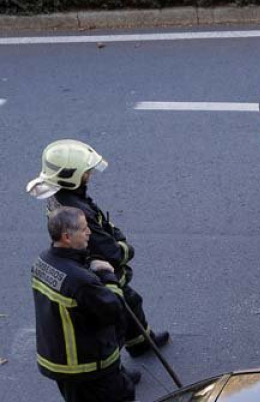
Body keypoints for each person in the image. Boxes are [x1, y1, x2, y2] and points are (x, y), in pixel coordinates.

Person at [26, 139, 170, 357]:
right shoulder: (79, 209)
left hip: (82, 261)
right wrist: (125, 248)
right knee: (115, 315)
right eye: (85, 172)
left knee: (130, 302)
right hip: (98, 269)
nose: (89, 175)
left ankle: (140, 343)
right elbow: (112, 252)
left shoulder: (59, 195)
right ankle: (114, 367)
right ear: (71, 176)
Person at [33, 207, 136, 402]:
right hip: (87, 366)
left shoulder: (42, 261)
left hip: (58, 361)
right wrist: (107, 276)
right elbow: (114, 309)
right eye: (83, 229)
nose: (89, 232)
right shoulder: (80, 281)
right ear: (66, 237)